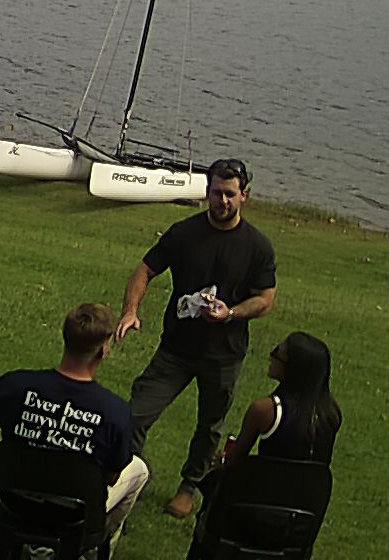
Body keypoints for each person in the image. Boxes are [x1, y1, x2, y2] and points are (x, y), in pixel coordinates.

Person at [115, 157, 276, 520]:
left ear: (245, 195)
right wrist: (130, 311)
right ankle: (135, 473)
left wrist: (230, 313)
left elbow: (265, 300)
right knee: (134, 415)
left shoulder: (257, 246)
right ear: (207, 192)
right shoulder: (184, 233)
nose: (223, 201)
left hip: (224, 355)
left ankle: (189, 487)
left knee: (210, 427)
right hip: (176, 349)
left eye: (230, 194)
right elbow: (144, 270)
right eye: (217, 193)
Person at [0, 302, 150, 553]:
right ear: (103, 351)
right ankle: (85, 550)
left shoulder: (16, 385)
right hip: (74, 512)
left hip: (18, 500)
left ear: (65, 339)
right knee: (139, 470)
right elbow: (111, 476)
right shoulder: (114, 411)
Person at [186, 332, 342, 557]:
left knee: (215, 481)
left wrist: (220, 461)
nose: (270, 355)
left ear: (293, 367)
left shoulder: (266, 410)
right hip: (297, 520)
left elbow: (234, 462)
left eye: (278, 352)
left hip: (254, 508)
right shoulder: (331, 414)